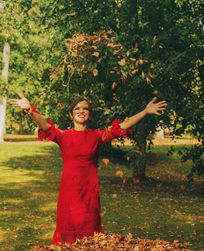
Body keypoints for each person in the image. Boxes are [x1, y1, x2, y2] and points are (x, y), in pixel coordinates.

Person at [10, 94, 167, 245]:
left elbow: (122, 126)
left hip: (89, 194)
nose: (81, 111)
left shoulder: (97, 136)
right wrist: (30, 109)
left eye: (85, 109)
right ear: (71, 115)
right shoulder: (63, 136)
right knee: (67, 237)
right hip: (69, 193)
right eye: (77, 109)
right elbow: (44, 125)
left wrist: (145, 111)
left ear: (89, 114)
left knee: (90, 237)